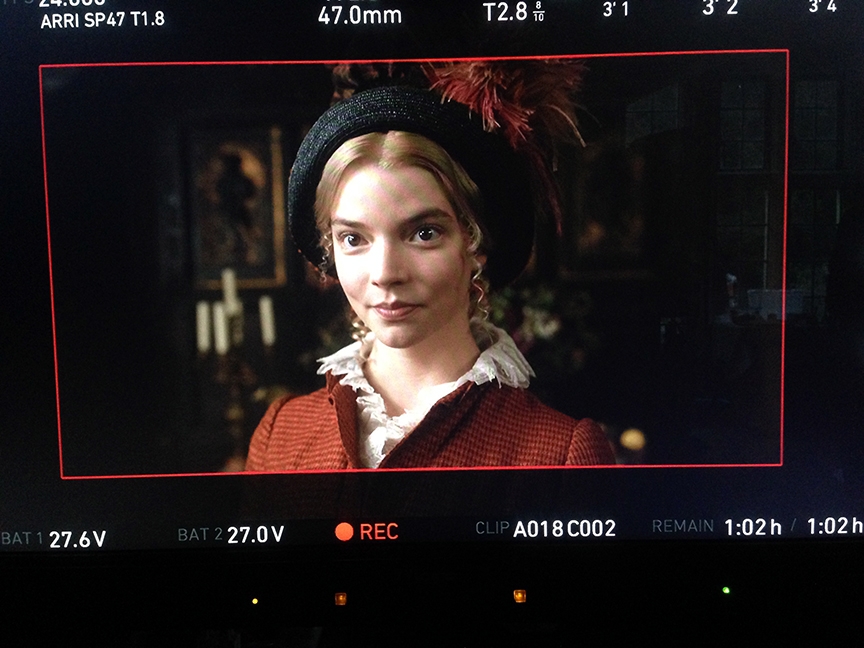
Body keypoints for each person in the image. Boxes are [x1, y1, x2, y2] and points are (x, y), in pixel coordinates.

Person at [246, 65, 615, 470]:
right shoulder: (280, 435)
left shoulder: (561, 453)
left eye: (424, 234)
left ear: (476, 243)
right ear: (328, 247)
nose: (385, 273)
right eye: (353, 239)